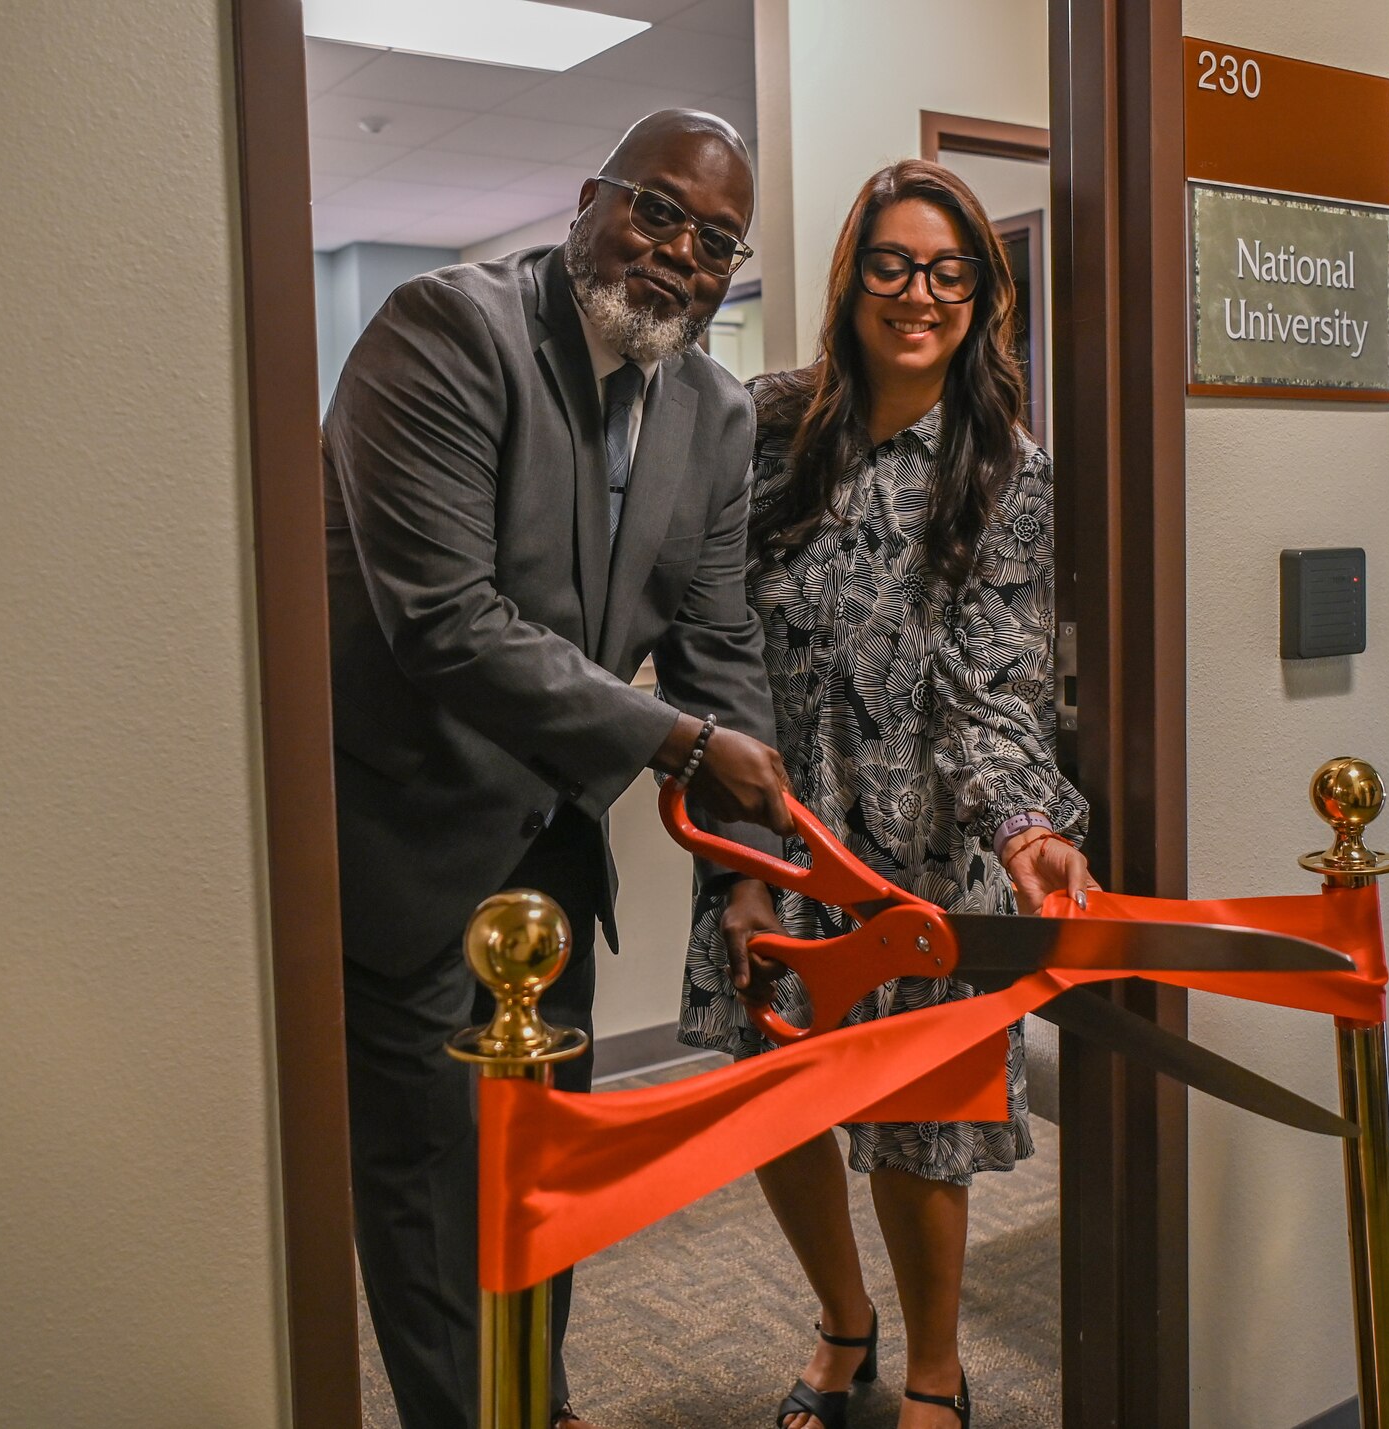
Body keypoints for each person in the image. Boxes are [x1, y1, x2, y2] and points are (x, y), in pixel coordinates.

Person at [323, 109, 793, 1429]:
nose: (679, 255)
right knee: (428, 1193)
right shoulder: (442, 333)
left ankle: (542, 1396)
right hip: (410, 847)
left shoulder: (713, 409)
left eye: (714, 241)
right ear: (591, 200)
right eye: (657, 210)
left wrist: (749, 875)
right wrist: (683, 742)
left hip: (553, 858)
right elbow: (445, 622)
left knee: (551, 1172)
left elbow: (716, 640)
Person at [680, 160, 1095, 1429]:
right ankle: (840, 1328)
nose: (920, 292)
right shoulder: (758, 428)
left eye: (949, 270)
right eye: (893, 263)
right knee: (777, 1098)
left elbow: (996, 685)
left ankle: (931, 1371)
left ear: (981, 293)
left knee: (922, 1133)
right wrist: (740, 867)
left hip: (928, 853)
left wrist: (1027, 827)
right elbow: (711, 635)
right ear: (852, 274)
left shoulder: (1006, 470)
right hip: (776, 836)